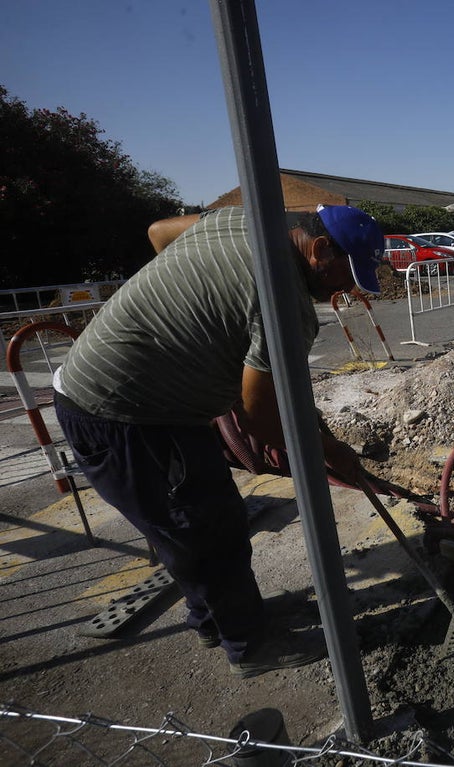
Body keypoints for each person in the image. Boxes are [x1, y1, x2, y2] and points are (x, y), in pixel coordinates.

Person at [54, 204, 383, 677]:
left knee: (198, 524)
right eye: (345, 275)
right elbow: (259, 415)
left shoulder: (242, 219)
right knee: (207, 531)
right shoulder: (284, 300)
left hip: (137, 401)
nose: (345, 289)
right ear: (320, 249)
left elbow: (158, 232)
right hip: (125, 413)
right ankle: (250, 646)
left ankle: (215, 619)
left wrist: (199, 322)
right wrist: (328, 452)